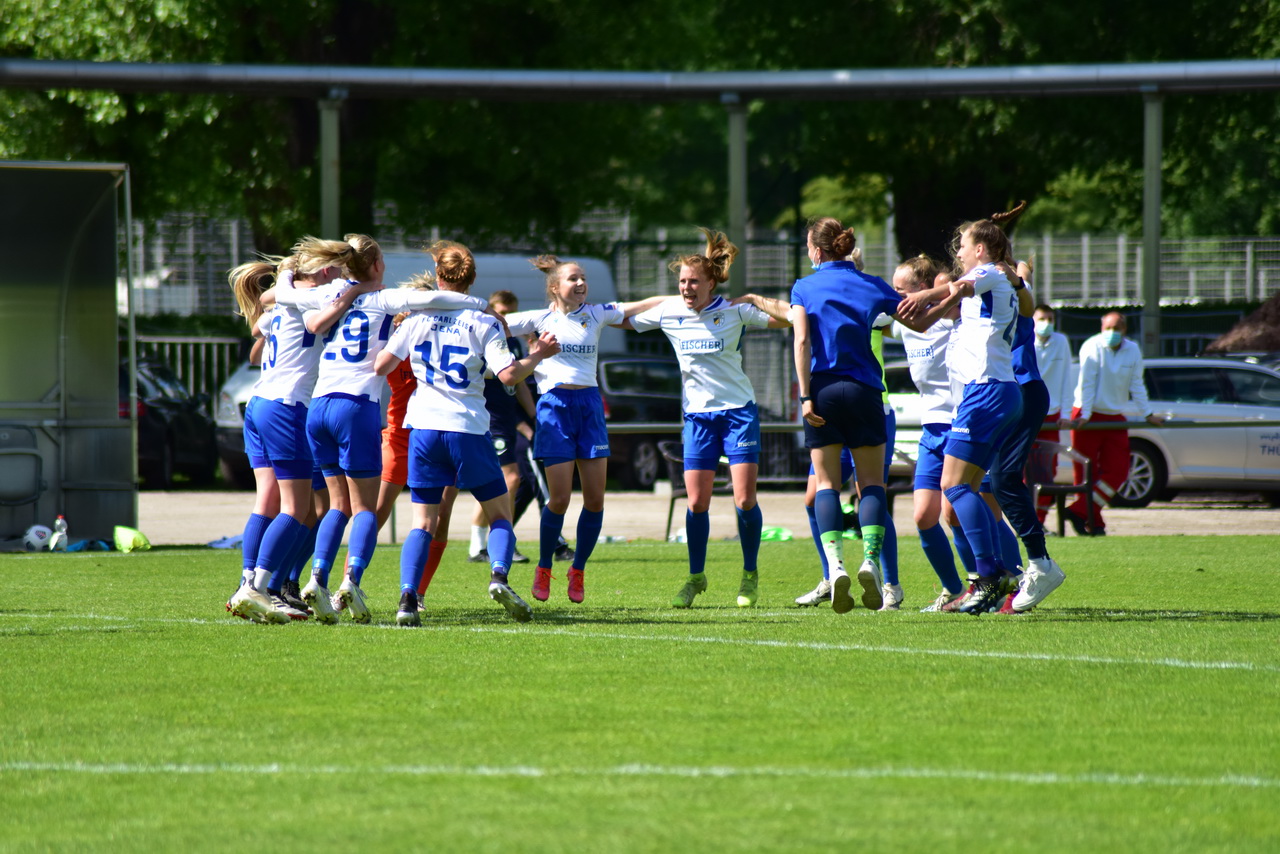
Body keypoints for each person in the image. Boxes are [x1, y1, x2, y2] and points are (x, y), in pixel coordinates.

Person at [262, 234, 490, 623]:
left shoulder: (332, 294)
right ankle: (351, 581)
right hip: (357, 406)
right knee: (363, 507)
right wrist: (480, 304)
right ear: (379, 265)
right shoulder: (383, 298)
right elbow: (435, 299)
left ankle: (317, 577)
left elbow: (279, 299)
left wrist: (284, 275)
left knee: (336, 504)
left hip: (319, 406)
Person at [374, 240, 561, 625]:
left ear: (439, 276)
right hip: (467, 429)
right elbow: (508, 375)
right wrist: (539, 354)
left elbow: (381, 366)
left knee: (421, 523)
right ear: (472, 279)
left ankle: (408, 600)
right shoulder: (484, 320)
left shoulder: (415, 319)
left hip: (423, 430)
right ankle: (498, 576)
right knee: (500, 515)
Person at [790, 217, 959, 614]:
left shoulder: (804, 286)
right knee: (871, 486)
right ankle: (870, 562)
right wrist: (951, 298)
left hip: (824, 390)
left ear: (816, 250)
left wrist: (804, 397)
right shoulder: (872, 285)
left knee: (828, 484)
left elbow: (801, 339)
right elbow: (918, 322)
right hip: (866, 392)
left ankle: (835, 568)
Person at [628, 228, 785, 608]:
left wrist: (754, 298)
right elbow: (618, 316)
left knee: (745, 500)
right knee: (697, 502)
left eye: (693, 281)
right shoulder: (669, 313)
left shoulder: (734, 312)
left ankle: (750, 576)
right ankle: (696, 577)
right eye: (682, 282)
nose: (686, 288)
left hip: (737, 415)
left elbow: (794, 317)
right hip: (698, 419)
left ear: (711, 282)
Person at [502, 257, 666, 605]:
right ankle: (544, 567)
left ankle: (578, 570)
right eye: (573, 279)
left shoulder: (596, 313)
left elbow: (640, 306)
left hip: (589, 408)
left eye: (584, 279)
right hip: (555, 409)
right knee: (559, 499)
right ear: (554, 287)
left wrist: (679, 299)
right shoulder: (539, 318)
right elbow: (493, 325)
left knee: (594, 500)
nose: (581, 284)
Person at [897, 212, 1028, 614]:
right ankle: (994, 576)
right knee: (963, 494)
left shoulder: (987, 273)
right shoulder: (994, 280)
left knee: (954, 489)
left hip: (985, 392)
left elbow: (962, 284)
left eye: (962, 245)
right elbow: (956, 296)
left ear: (981, 250)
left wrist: (921, 297)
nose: (957, 252)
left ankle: (994, 575)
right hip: (996, 392)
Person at [225, 253, 357, 624]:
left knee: (270, 500)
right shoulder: (318, 294)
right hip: (288, 408)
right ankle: (267, 588)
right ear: (327, 271)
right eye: (340, 269)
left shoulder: (286, 297)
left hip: (260, 403)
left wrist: (286, 282)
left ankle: (250, 582)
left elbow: (257, 333)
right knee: (303, 509)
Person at [1065, 312, 1165, 535]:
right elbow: (1087, 383)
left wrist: (1147, 413)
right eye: (1108, 327)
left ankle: (1080, 510)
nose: (1112, 333)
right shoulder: (1091, 346)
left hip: (1114, 415)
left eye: (1117, 328)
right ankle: (1092, 522)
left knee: (1119, 471)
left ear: (1125, 330)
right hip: (1086, 413)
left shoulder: (1133, 349)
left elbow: (1137, 384)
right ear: (1101, 328)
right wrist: (1085, 415)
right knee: (1084, 473)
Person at [467, 290, 537, 565]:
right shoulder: (485, 337)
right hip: (490, 418)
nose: (507, 319)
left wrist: (533, 417)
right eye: (502, 313)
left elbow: (518, 383)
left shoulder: (514, 344)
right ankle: (502, 543)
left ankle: (480, 546)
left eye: (511, 314)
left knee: (494, 482)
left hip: (507, 419)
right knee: (511, 478)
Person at [1031, 302, 1074, 525]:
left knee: (1048, 470)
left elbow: (1067, 378)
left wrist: (1066, 413)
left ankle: (1039, 520)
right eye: (1042, 319)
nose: (1046, 324)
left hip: (1053, 416)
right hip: (1027, 416)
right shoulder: (1023, 338)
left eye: (1050, 319)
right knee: (1023, 471)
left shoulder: (1061, 341)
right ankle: (1025, 521)